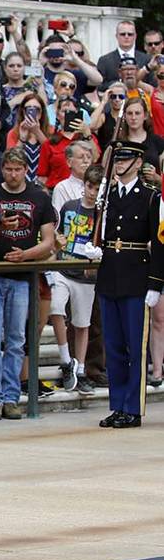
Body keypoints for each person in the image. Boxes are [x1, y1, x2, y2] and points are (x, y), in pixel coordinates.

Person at [0, 148, 56, 420]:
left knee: (16, 338)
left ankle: (11, 396)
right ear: (2, 169)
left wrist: (27, 255)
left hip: (23, 275)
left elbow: (48, 241)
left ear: (26, 170)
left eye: (18, 169)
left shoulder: (39, 197)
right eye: (8, 169)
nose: (13, 174)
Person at [91, 141, 164, 428]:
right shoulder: (107, 196)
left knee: (136, 346)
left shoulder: (150, 197)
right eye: (117, 159)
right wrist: (95, 248)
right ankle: (118, 404)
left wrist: (156, 284)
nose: (119, 164)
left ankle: (133, 408)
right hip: (110, 276)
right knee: (114, 345)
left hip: (137, 278)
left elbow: (159, 243)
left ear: (137, 162)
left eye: (125, 159)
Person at [51, 164, 102, 396]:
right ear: (84, 186)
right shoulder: (69, 206)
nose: (92, 192)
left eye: (97, 188)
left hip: (86, 276)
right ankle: (65, 360)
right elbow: (57, 234)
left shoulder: (102, 216)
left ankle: (80, 367)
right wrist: (58, 243)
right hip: (64, 267)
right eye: (90, 186)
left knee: (82, 324)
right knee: (56, 308)